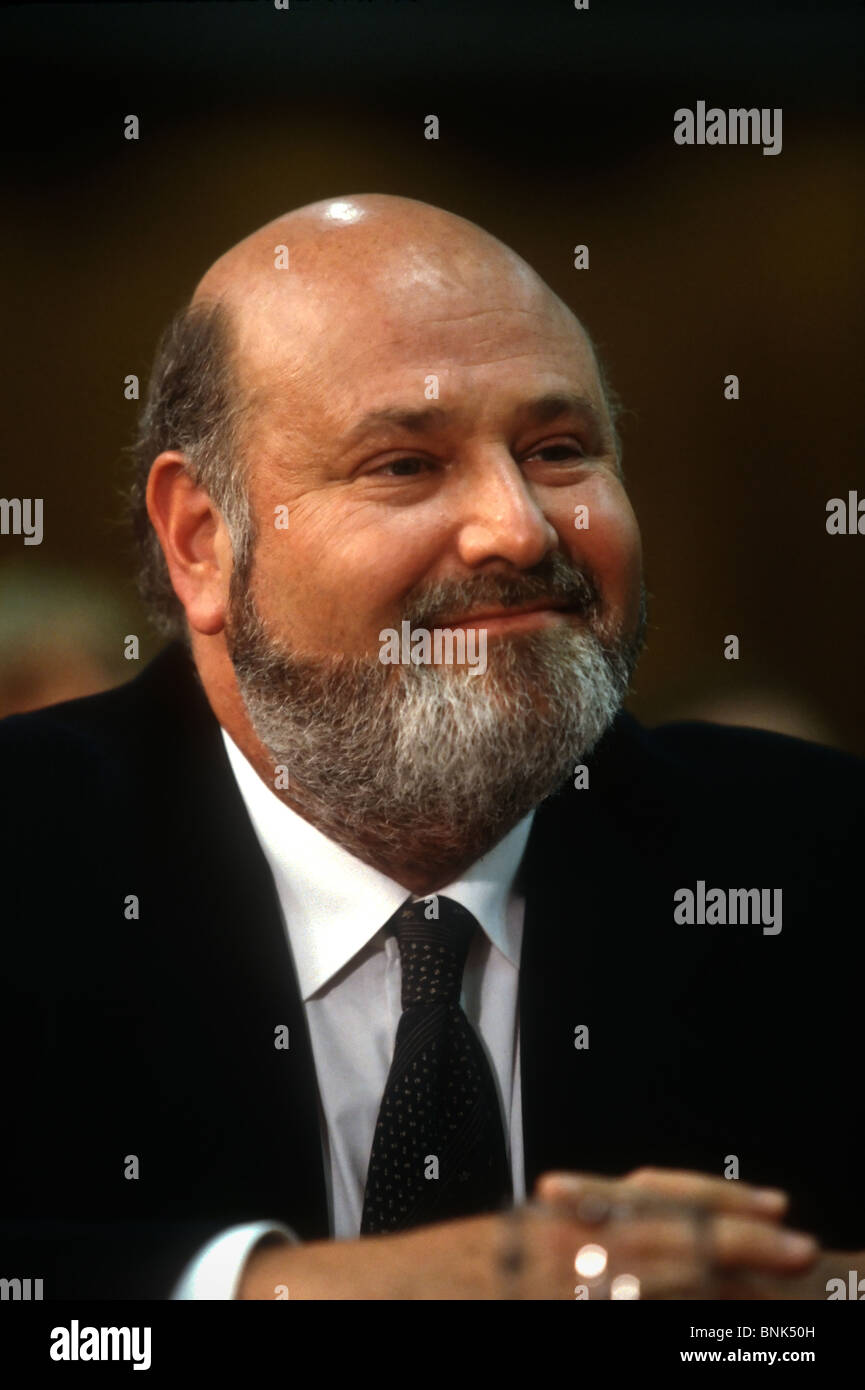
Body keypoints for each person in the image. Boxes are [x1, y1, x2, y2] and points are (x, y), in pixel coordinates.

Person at [2, 195, 862, 1300]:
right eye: (404, 464)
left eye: (558, 450)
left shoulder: (820, 859)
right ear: (202, 540)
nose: (517, 527)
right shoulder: (25, 854)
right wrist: (283, 1293)